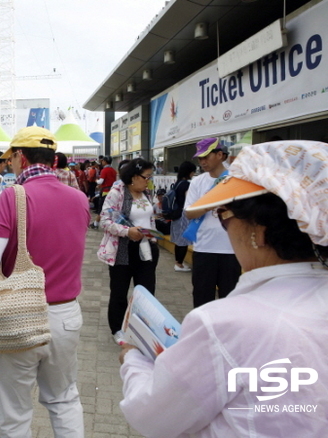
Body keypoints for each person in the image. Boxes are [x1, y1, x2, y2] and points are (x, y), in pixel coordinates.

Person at [119, 140, 328, 438]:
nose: (223, 224)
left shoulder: (226, 323)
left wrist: (133, 361)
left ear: (258, 232)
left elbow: (151, 416)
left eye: (223, 214)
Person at [0, 126, 90, 438]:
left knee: (15, 412)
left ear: (21, 157)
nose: (10, 164)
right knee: (65, 398)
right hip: (66, 316)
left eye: (11, 158)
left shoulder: (12, 197)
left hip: (20, 316)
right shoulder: (79, 198)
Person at [97, 158, 159, 345]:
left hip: (147, 249)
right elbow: (105, 221)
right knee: (119, 291)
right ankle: (118, 328)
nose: (148, 181)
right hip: (122, 250)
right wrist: (127, 232)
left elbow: (150, 218)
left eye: (150, 177)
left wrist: (153, 236)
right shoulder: (117, 192)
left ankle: (141, 328)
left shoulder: (146, 193)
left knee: (146, 292)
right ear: (133, 177)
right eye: (145, 177)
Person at [185, 137, 241, 307]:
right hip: (204, 248)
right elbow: (189, 213)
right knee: (202, 299)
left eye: (206, 157)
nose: (202, 162)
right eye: (200, 158)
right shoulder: (197, 182)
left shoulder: (236, 179)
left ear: (220, 155)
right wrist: (212, 204)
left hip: (232, 249)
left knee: (229, 301)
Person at [170, 160, 197, 272]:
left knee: (179, 240)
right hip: (183, 215)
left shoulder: (177, 183)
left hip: (176, 214)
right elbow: (188, 200)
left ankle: (178, 262)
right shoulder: (186, 185)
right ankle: (179, 263)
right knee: (183, 240)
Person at [91, 156, 117, 229]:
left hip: (105, 191)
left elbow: (101, 181)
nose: (102, 162)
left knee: (102, 208)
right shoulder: (113, 170)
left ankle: (96, 224)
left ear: (105, 161)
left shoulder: (105, 170)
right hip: (112, 191)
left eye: (102, 161)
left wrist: (96, 181)